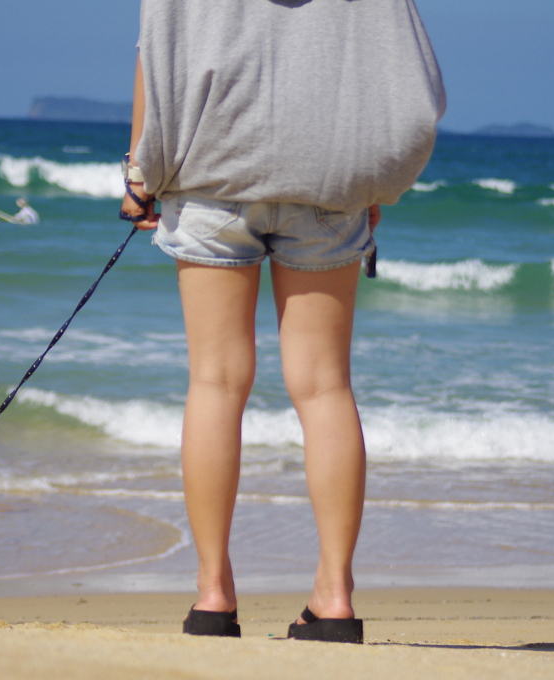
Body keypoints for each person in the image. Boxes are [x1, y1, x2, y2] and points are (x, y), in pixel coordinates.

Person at [120, 0, 445, 643]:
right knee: (325, 388)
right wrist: (374, 180)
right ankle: (335, 598)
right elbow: (413, 84)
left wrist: (140, 175)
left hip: (213, 176)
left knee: (215, 382)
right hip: (327, 184)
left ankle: (213, 595)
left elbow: (156, 59)